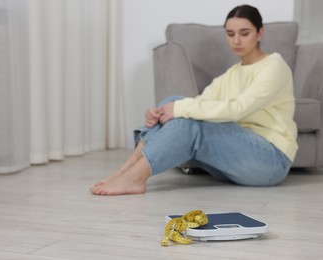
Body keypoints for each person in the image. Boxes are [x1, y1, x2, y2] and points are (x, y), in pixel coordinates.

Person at [90, 4, 298, 195]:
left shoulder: (274, 66)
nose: (236, 41)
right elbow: (198, 106)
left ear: (259, 33)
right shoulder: (230, 75)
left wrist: (177, 109)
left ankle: (135, 178)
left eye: (244, 33)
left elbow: (238, 109)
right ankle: (124, 172)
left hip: (270, 159)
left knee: (183, 112)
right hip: (236, 157)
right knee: (176, 103)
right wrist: (161, 112)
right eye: (230, 34)